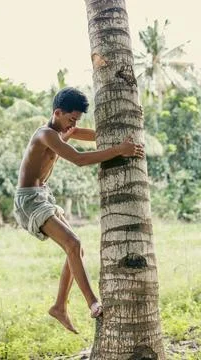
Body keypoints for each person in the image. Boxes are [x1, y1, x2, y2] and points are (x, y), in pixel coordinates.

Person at [13, 87, 145, 334]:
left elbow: (96, 135)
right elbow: (79, 159)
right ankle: (93, 302)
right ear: (58, 112)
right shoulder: (46, 134)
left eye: (77, 121)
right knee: (73, 243)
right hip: (29, 200)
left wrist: (125, 139)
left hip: (43, 196)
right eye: (71, 119)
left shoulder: (62, 130)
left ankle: (59, 307)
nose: (72, 125)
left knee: (76, 248)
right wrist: (118, 150)